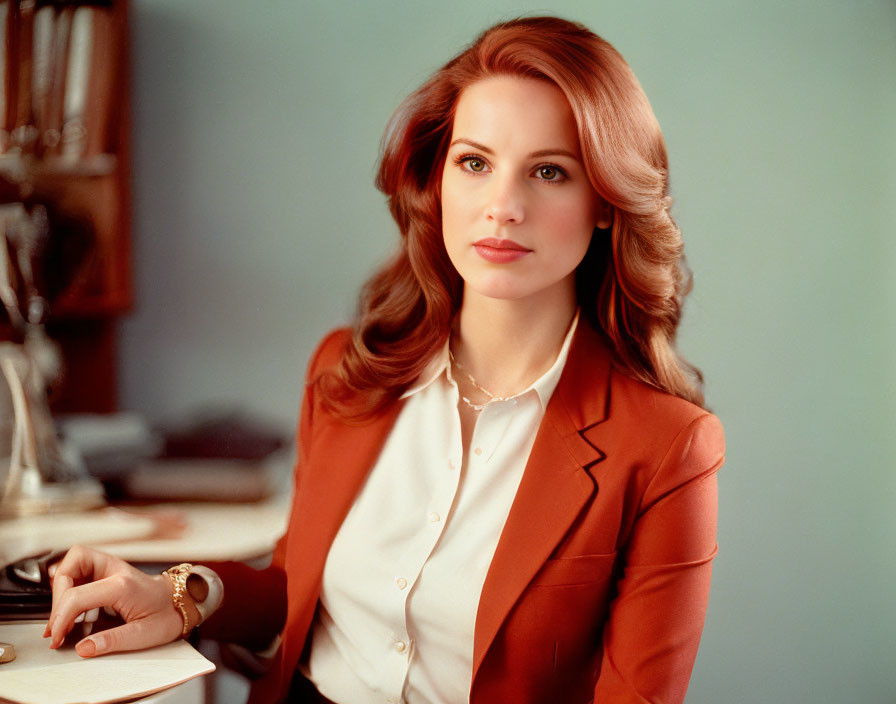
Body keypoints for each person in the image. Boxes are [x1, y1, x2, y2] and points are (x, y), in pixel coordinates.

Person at [44, 16, 725, 704]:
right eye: (475, 162)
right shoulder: (347, 371)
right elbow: (304, 590)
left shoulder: (667, 449)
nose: (503, 206)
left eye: (549, 172)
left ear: (605, 202)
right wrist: (179, 593)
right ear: (437, 180)